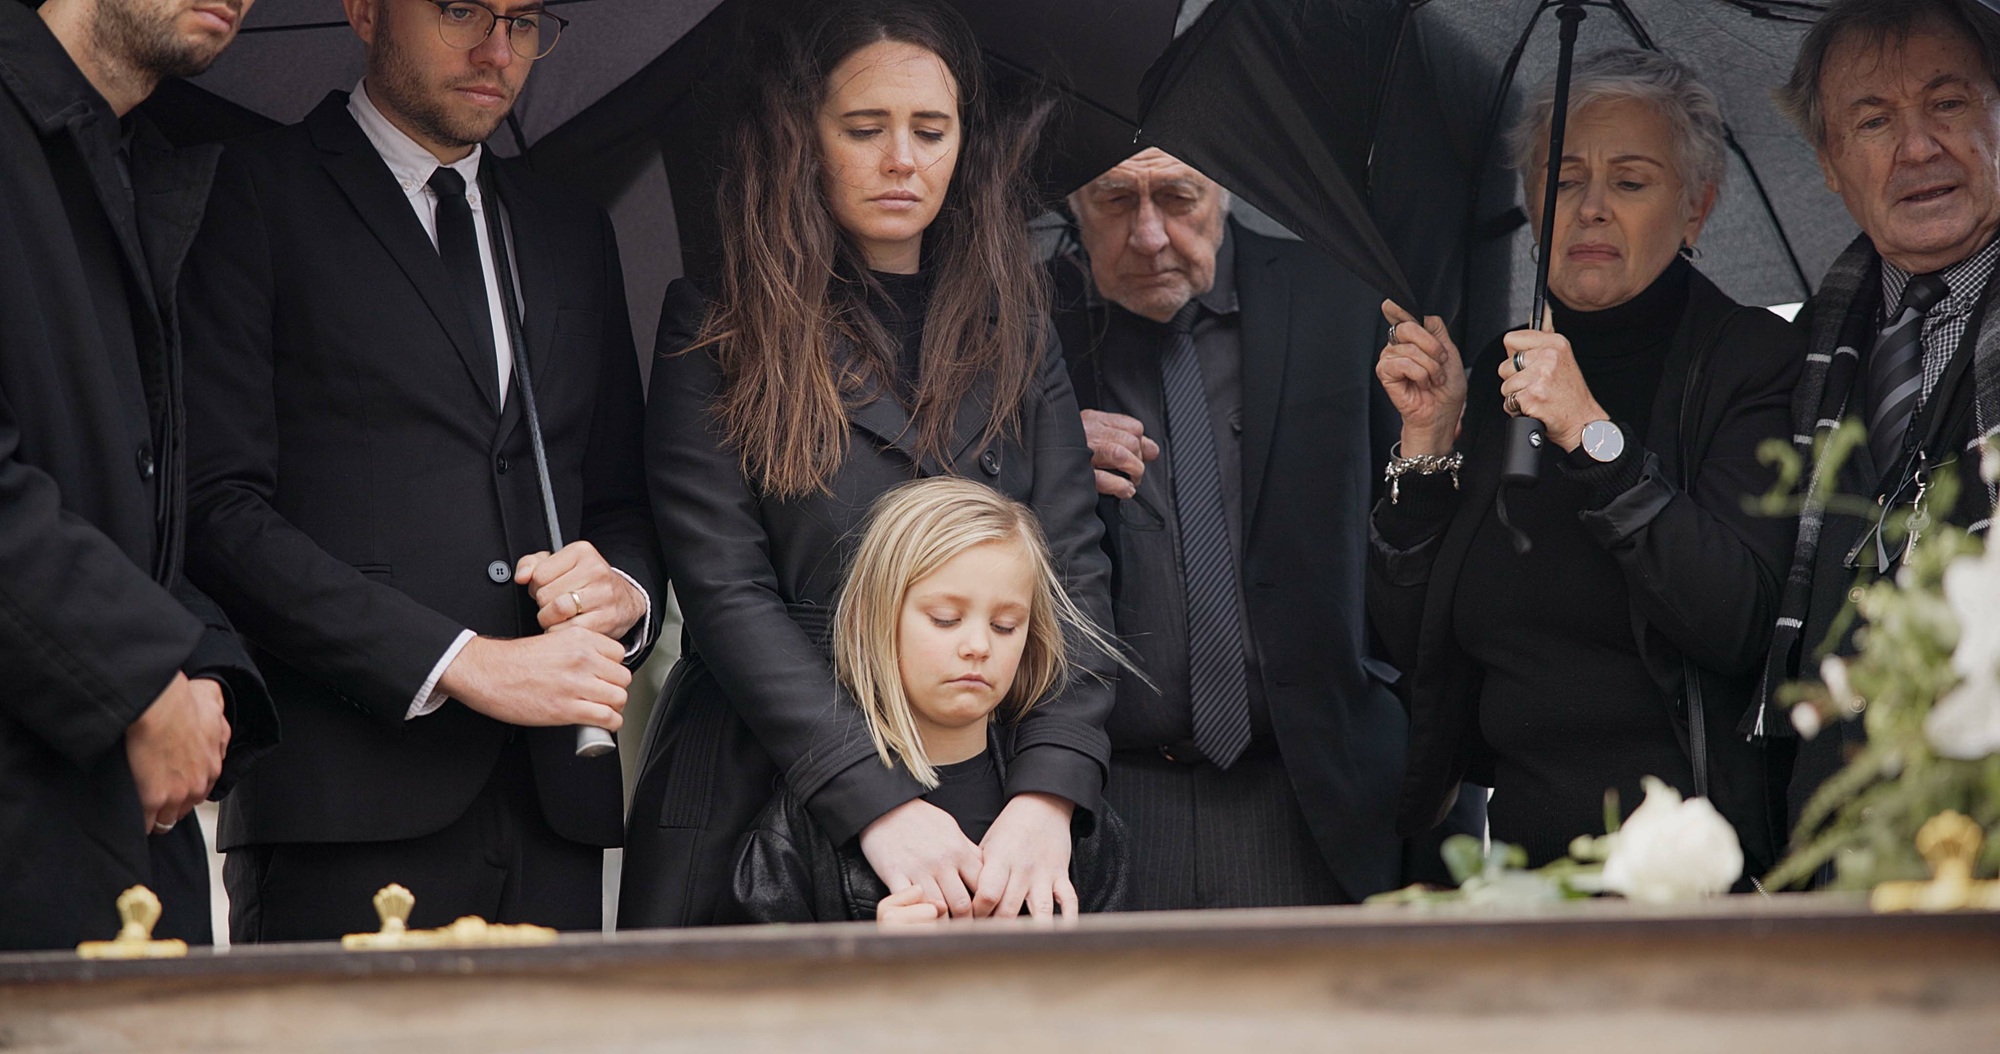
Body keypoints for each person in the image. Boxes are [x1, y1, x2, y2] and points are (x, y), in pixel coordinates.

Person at [621, 0, 1115, 928]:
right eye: (864, 128)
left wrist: (1050, 794)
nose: (903, 159)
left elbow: (1074, 578)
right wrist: (872, 798)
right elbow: (725, 591)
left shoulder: (1021, 330)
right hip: (757, 786)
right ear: (803, 140)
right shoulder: (717, 323)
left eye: (932, 130)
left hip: (984, 782)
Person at [178, 0, 665, 941]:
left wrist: (624, 593)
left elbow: (619, 499)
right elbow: (217, 508)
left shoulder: (570, 227)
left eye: (526, 22)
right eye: (460, 10)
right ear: (364, 10)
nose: (497, 49)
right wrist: (464, 664)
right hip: (342, 802)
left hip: (555, 806)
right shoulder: (244, 192)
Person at [1370, 49, 1801, 876]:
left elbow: (1738, 618)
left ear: (1697, 208)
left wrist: (1593, 435)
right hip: (1526, 868)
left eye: (1631, 182)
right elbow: (1417, 646)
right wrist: (1426, 448)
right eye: (1564, 180)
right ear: (1532, 202)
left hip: (1699, 867)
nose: (1592, 207)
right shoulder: (1503, 369)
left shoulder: (1753, 358)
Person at [1055, 148, 1443, 908]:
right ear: (1071, 203)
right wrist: (1045, 448)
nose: (1150, 236)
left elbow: (1422, 572)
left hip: (1318, 800)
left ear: (1226, 186)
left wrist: (1442, 823)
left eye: (1177, 197)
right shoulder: (1017, 323)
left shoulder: (1344, 299)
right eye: (1113, 201)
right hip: (1101, 810)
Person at [0, 0, 273, 952]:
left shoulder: (140, 162)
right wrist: (141, 684)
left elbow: (137, 515)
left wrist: (206, 683)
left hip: (119, 852)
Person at [1767, 0, 2000, 836]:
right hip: (1829, 837)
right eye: (1873, 121)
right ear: (1829, 162)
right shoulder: (1792, 361)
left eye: (1948, 103)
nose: (1917, 147)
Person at [728, 478, 1127, 924]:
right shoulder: (801, 826)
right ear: (875, 620)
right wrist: (880, 966)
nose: (978, 645)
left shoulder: (1076, 824)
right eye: (946, 619)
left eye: (1005, 625)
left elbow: (1117, 985)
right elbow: (766, 987)